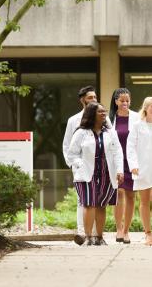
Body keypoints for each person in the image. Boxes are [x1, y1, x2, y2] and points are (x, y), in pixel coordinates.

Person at [67, 102, 124, 246]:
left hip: (106, 172)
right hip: (86, 174)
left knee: (101, 205)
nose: (104, 114)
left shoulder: (111, 132)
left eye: (104, 111)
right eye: (100, 112)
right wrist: (81, 165)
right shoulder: (81, 132)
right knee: (89, 203)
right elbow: (71, 154)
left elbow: (118, 153)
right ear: (92, 114)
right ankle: (88, 237)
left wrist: (119, 170)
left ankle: (99, 237)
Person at [127, 97, 152, 245]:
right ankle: (147, 233)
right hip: (142, 167)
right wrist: (133, 165)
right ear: (145, 108)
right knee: (144, 201)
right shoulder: (137, 126)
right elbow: (130, 147)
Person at [62, 86, 100, 245]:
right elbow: (67, 145)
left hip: (99, 166)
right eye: (90, 97)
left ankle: (97, 234)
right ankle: (82, 233)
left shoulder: (102, 117)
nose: (94, 100)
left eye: (95, 97)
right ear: (82, 100)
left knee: (97, 200)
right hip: (80, 167)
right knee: (82, 200)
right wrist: (74, 165)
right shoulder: (73, 120)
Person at [109, 88, 140, 244]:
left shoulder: (136, 117)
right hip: (117, 162)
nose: (125, 103)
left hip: (132, 161)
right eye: (122, 101)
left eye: (127, 100)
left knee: (130, 195)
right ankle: (119, 229)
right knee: (119, 194)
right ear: (116, 101)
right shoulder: (109, 118)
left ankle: (127, 231)